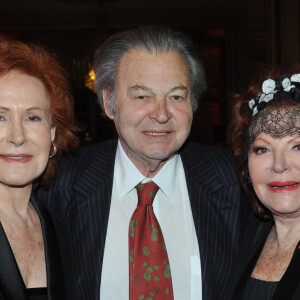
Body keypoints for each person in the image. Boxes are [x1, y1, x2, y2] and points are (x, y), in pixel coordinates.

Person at [39, 25, 251, 300]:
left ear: (193, 103)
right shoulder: (59, 182)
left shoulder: (236, 179)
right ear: (109, 102)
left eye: (176, 96)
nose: (161, 114)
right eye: (142, 96)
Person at [0, 36, 78, 299]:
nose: (17, 136)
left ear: (53, 137)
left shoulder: (61, 226)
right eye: (0, 117)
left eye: (33, 117)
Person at [226, 64, 300, 299]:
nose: (279, 165)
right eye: (262, 149)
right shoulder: (246, 237)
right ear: (246, 167)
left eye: (298, 146)